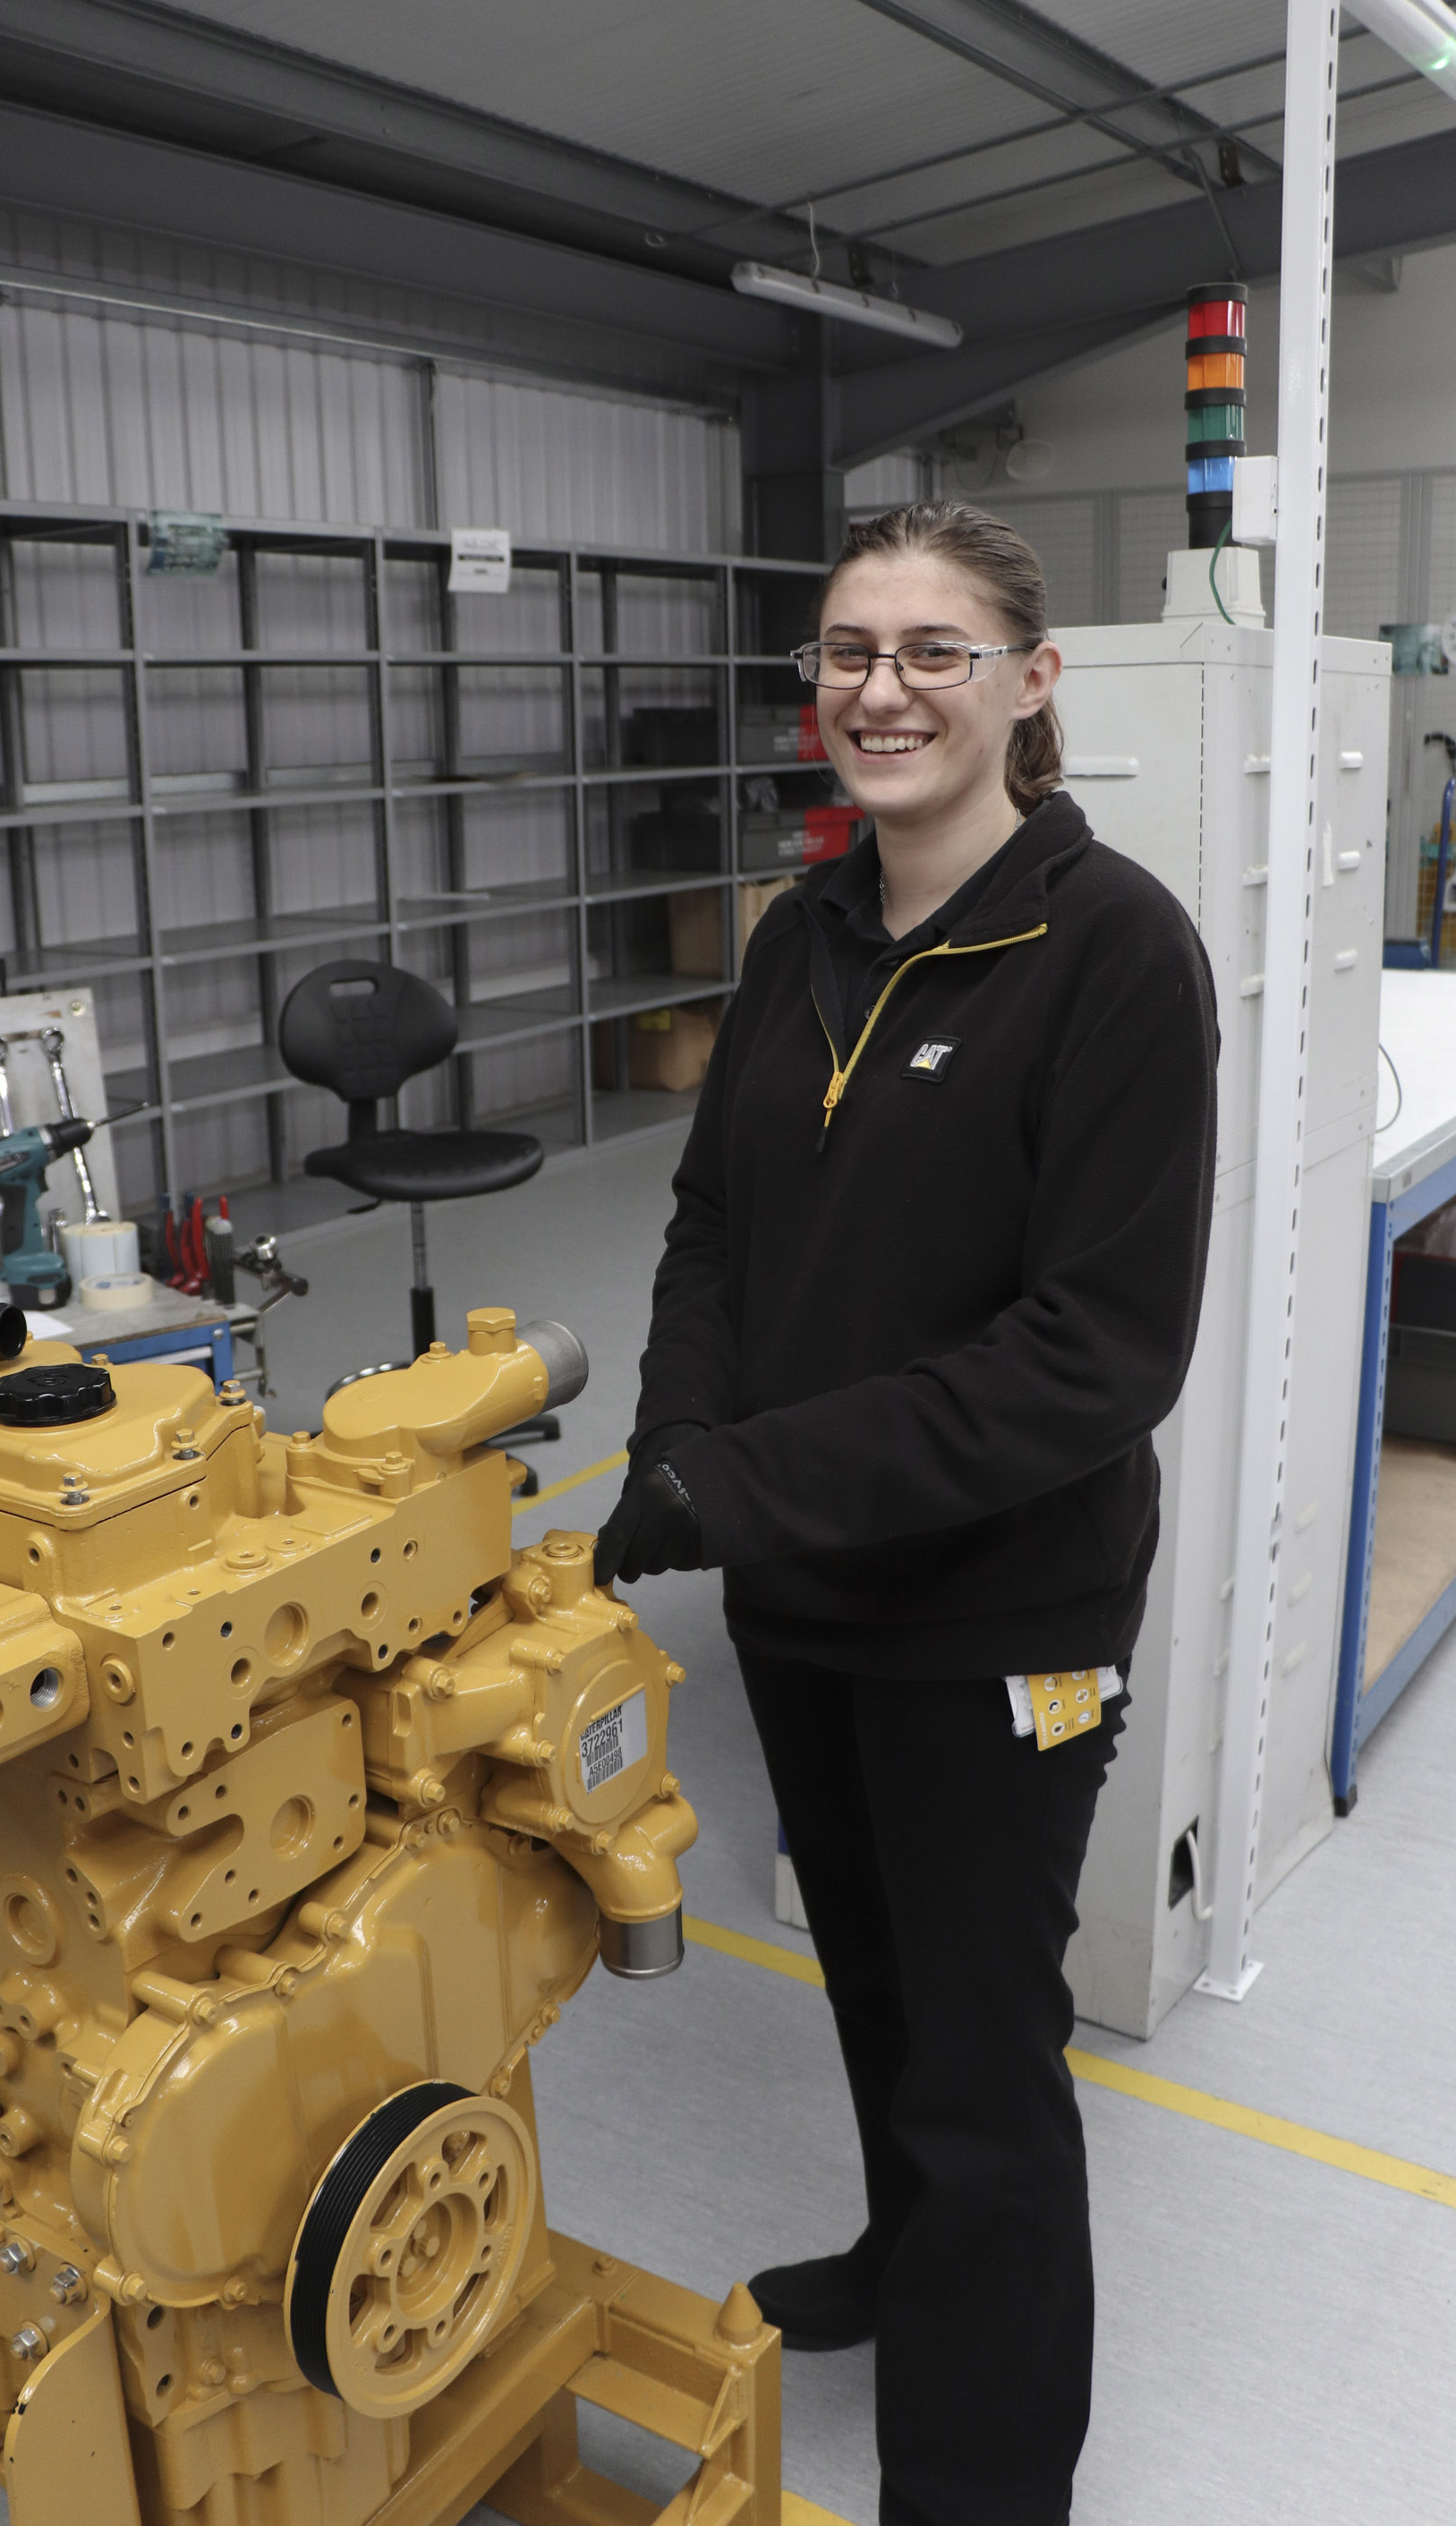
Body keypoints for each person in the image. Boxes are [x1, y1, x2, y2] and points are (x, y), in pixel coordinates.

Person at [593, 500, 1218, 2526]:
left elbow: (1096, 1354)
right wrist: (676, 1446)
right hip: (807, 1600)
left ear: (1030, 685)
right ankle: (899, 2254)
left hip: (996, 1615)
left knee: (980, 2055)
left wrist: (743, 1478)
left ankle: (983, 2483)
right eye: (849, 652)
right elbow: (712, 1230)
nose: (879, 688)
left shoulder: (1112, 950)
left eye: (933, 650)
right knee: (875, 1981)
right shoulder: (800, 938)